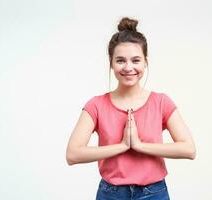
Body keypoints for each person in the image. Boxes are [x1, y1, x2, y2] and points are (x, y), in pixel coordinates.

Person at [66, 16, 196, 200]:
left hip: (154, 193)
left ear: (145, 62)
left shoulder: (161, 102)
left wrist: (140, 146)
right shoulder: (96, 105)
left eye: (136, 60)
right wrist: (122, 146)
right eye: (120, 60)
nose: (128, 67)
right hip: (111, 194)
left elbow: (189, 149)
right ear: (111, 62)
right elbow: (73, 154)